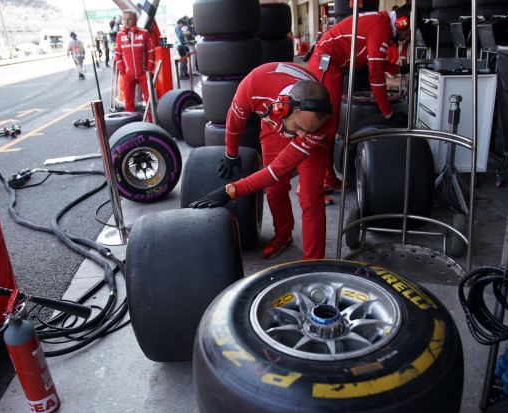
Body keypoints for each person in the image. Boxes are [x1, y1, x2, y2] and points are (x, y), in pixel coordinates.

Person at [189, 62, 333, 260]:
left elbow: (277, 169)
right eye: (299, 127)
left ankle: (314, 262)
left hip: (300, 129)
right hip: (274, 125)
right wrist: (231, 153)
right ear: (282, 108)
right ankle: (283, 235)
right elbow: (235, 120)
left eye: (307, 131)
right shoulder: (254, 85)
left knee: (310, 197)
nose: (300, 136)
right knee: (274, 189)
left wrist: (230, 190)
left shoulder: (321, 124)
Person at [306, 0, 415, 193]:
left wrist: (398, 69)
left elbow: (376, 61)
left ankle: (327, 177)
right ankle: (312, 183)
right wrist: (387, 113)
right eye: (409, 32)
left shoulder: (381, 25)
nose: (407, 37)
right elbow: (375, 74)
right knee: (324, 125)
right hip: (325, 63)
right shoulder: (380, 28)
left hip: (332, 64)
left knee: (330, 126)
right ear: (402, 23)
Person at [115, 10, 155, 112]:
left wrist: (149, 69)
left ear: (135, 20)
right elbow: (118, 55)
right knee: (128, 102)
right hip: (128, 74)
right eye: (124, 19)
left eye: (129, 19)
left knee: (150, 99)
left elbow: (151, 51)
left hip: (143, 73)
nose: (126, 22)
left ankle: (152, 121)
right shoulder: (119, 35)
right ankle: (131, 124)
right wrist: (123, 71)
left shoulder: (144, 33)